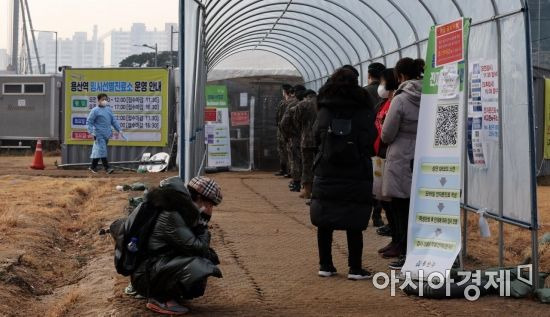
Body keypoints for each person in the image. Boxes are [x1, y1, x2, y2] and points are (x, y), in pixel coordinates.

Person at [310, 67, 376, 280]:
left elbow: (315, 137)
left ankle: (325, 265)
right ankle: (355, 268)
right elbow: (370, 138)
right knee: (354, 219)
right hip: (355, 170)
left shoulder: (324, 109)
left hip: (326, 170)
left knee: (324, 219)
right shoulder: (363, 109)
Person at [131, 176, 223, 315]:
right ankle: (159, 298)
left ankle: (162, 292)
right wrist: (202, 227)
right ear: (198, 198)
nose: (210, 210)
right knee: (200, 264)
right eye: (210, 205)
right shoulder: (172, 215)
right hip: (145, 275)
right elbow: (198, 248)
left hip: (148, 269)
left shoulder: (177, 209)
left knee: (206, 258)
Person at [381, 58, 424, 270]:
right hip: (424, 153)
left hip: (401, 155)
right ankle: (417, 251)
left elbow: (387, 133)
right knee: (419, 207)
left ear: (400, 76)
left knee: (400, 207)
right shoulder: (432, 94)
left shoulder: (400, 99)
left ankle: (406, 253)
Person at [372, 68, 401, 259]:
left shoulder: (397, 101)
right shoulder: (386, 102)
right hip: (380, 156)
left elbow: (389, 131)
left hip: (390, 155)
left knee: (392, 202)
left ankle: (399, 241)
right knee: (384, 199)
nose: (380, 85)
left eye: (382, 81)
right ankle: (395, 239)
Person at [87, 93, 123, 174]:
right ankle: (107, 168)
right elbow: (89, 122)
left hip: (106, 134)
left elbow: (113, 121)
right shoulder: (95, 110)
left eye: (106, 99)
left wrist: (119, 129)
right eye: (103, 99)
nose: (104, 101)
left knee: (99, 150)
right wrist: (91, 132)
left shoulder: (108, 110)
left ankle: (92, 167)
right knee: (102, 150)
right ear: (98, 100)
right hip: (98, 134)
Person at [293, 89, 318, 201]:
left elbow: (296, 121)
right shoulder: (322, 102)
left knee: (307, 165)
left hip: (306, 139)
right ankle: (318, 191)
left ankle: (307, 191)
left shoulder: (302, 104)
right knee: (319, 165)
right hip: (320, 139)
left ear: (305, 96)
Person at [281, 84, 306, 192]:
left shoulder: (292, 104)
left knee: (296, 160)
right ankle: (307, 184)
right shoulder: (312, 104)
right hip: (308, 137)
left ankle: (296, 182)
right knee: (307, 161)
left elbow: (283, 123)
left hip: (295, 137)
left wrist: (288, 135)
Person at [275, 84, 293, 176]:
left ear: (285, 92)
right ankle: (289, 170)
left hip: (283, 129)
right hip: (291, 130)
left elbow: (278, 117)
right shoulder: (294, 102)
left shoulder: (284, 103)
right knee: (288, 150)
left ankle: (286, 170)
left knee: (283, 150)